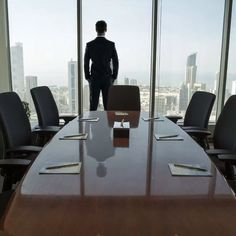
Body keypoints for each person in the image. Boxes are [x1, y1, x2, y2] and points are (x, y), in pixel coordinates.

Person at [84, 20, 119, 111]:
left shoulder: (90, 45)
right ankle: (107, 125)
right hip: (107, 78)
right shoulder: (111, 45)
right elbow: (116, 62)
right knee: (108, 106)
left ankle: (92, 125)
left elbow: (86, 62)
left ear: (96, 29)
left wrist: (88, 77)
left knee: (93, 105)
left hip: (94, 78)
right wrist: (113, 77)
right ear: (106, 29)